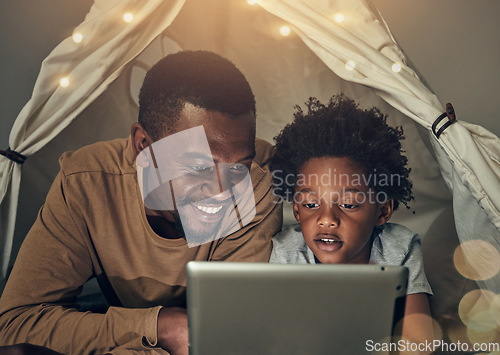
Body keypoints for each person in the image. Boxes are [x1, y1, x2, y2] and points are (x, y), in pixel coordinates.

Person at [0, 50, 282, 354]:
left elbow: (224, 338)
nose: (223, 191)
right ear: (144, 145)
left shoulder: (259, 181)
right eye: (200, 167)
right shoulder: (87, 181)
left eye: (238, 166)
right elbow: (15, 325)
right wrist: (159, 327)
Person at [269, 94, 434, 345]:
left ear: (382, 212)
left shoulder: (400, 248)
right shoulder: (286, 253)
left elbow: (419, 342)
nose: (326, 219)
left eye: (348, 204)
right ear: (297, 211)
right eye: (311, 204)